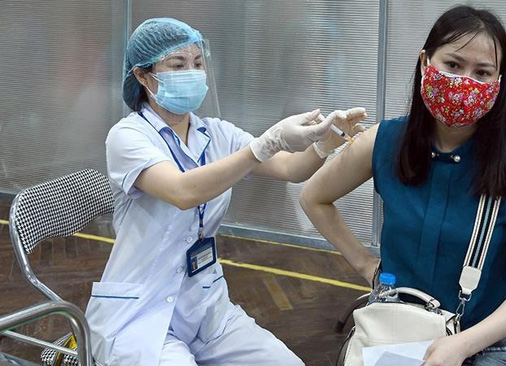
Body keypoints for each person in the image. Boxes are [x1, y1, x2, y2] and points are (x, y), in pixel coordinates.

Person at [85, 18, 366, 366]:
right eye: (177, 65)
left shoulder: (216, 133)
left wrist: (325, 140)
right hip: (140, 314)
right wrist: (263, 145)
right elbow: (182, 191)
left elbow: (292, 169)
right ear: (143, 76)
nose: (192, 71)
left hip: (206, 307)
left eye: (197, 63)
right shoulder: (128, 137)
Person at [300, 6, 506, 366]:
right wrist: (365, 264)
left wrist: (462, 346)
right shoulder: (384, 141)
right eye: (453, 65)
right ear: (425, 62)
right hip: (392, 329)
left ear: (498, 84)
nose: (465, 82)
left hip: (480, 342)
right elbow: (314, 197)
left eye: (482, 72)